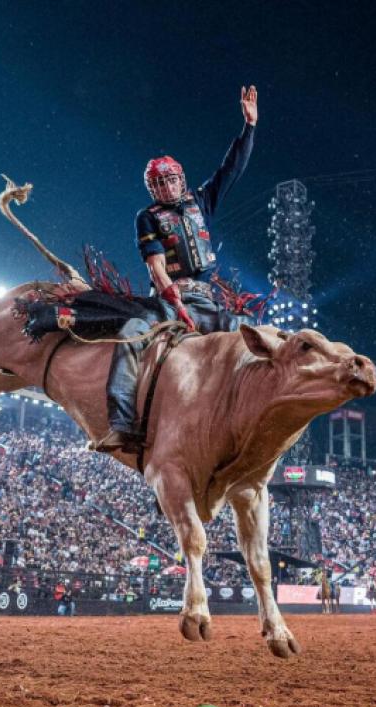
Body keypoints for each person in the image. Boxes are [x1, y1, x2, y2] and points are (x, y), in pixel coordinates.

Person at [94, 85, 259, 453]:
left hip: (207, 300)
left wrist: (249, 128)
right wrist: (175, 303)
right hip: (168, 301)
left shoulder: (200, 201)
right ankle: (121, 424)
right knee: (131, 334)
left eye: (170, 179)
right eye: (159, 182)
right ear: (151, 188)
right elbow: (155, 266)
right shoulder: (147, 217)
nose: (167, 187)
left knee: (250, 334)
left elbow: (230, 170)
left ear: (180, 179)